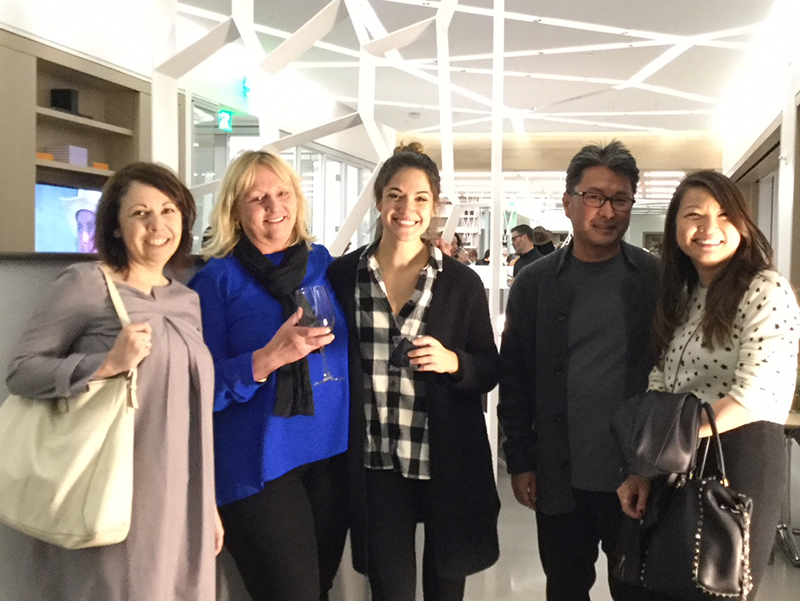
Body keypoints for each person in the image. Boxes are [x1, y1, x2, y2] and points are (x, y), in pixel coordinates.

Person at [2, 162, 221, 601]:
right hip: (113, 492)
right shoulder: (88, 284)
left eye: (168, 210)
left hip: (184, 498)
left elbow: (195, 414)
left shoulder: (187, 299)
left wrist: (208, 503)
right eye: (141, 213)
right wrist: (106, 364)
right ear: (116, 227)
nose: (157, 225)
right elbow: (21, 372)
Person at [328, 142, 500, 601]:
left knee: (446, 586)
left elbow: (488, 367)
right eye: (396, 195)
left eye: (421, 198)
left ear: (435, 205)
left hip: (444, 457)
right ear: (379, 200)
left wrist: (454, 362)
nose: (407, 209)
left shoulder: (460, 283)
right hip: (376, 461)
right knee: (390, 588)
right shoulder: (344, 276)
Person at [617, 171, 800, 600]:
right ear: (675, 227)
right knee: (661, 582)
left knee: (717, 586)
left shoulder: (765, 289)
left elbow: (756, 395)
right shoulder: (685, 293)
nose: (708, 228)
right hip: (679, 454)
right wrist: (643, 467)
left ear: (742, 224)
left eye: (723, 215)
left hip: (739, 455)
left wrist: (660, 441)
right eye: (694, 215)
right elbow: (662, 378)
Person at [498, 140, 658, 601]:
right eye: (594, 197)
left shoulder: (655, 279)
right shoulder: (534, 283)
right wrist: (520, 460)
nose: (607, 211)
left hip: (638, 476)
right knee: (566, 588)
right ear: (568, 202)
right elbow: (515, 378)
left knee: (639, 590)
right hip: (560, 476)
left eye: (620, 199)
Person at [189, 150, 349, 601]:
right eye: (257, 198)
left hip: (329, 454)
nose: (273, 206)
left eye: (282, 193)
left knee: (319, 587)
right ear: (234, 211)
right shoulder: (216, 280)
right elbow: (197, 389)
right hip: (258, 466)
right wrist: (266, 359)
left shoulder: (320, 262)